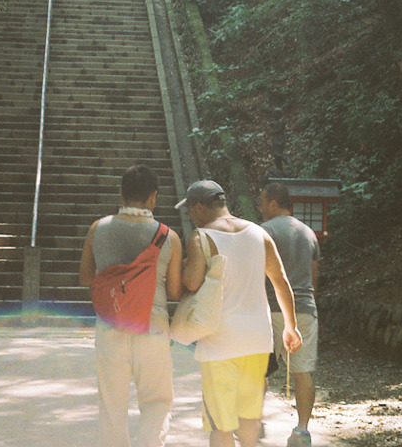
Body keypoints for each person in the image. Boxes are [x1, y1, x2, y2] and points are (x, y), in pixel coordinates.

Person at [177, 179, 302, 447]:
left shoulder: (202, 237)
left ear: (199, 207)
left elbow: (191, 282)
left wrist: (183, 265)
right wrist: (291, 326)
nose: (189, 215)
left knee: (221, 425)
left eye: (189, 209)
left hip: (219, 342)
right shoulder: (259, 233)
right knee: (249, 420)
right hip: (258, 340)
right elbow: (281, 281)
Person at [80, 165, 183, 447]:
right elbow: (174, 291)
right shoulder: (168, 237)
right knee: (157, 401)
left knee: (112, 405)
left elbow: (86, 277)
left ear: (121, 194)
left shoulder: (96, 229)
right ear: (153, 197)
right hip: (153, 327)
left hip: (111, 326)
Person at [258, 184, 321, 447]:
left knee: (259, 370)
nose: (260, 207)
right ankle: (303, 430)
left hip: (271, 308)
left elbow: (257, 273)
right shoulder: (308, 233)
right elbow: (314, 278)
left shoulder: (265, 231)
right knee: (303, 371)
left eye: (262, 202)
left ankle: (252, 420)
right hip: (305, 308)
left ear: (274, 203)